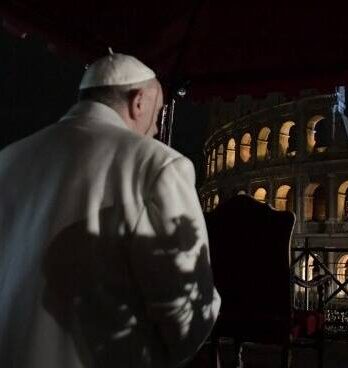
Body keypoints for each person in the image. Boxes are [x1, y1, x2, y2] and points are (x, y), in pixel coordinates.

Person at [0, 53, 220, 367]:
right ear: (139, 102)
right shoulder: (159, 164)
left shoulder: (8, 158)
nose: (157, 129)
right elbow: (186, 316)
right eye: (157, 114)